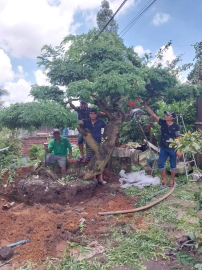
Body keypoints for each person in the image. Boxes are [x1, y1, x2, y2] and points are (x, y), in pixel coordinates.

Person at [143, 102, 181, 187]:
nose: (166, 116)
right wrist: (146, 106)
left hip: (172, 149)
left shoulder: (176, 126)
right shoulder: (163, 123)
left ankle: (171, 181)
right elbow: (153, 115)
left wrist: (179, 149)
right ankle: (164, 179)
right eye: (166, 115)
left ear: (172, 118)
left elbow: (178, 138)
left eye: (168, 115)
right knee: (160, 164)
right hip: (163, 148)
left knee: (173, 166)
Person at [78, 108, 107, 185]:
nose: (93, 115)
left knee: (100, 161)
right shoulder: (85, 121)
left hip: (98, 144)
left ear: (97, 114)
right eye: (91, 113)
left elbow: (107, 128)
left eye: (94, 113)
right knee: (91, 161)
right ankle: (93, 178)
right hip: (89, 145)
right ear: (89, 115)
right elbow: (77, 122)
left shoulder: (101, 122)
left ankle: (100, 178)